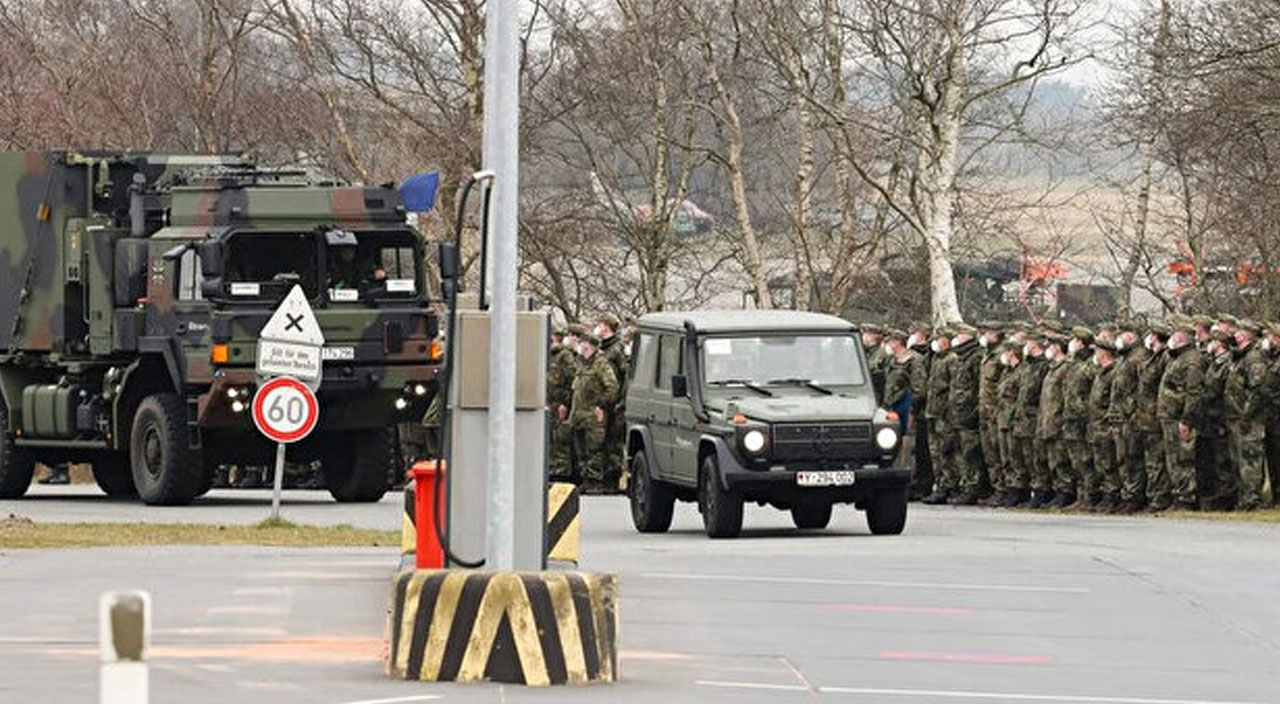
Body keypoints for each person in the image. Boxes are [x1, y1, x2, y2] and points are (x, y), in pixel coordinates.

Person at [1157, 323, 1205, 510]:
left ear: (1182, 337)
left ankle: (1186, 498)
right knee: (1173, 459)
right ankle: (1179, 495)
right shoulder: (1178, 358)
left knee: (1182, 460)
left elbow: (1194, 393)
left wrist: (1187, 420)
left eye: (1174, 334)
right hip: (1170, 417)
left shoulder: (1191, 360)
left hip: (1180, 418)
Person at [1227, 320, 1270, 510]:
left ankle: (1252, 500)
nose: (1235, 335)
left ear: (1246, 335)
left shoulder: (1254, 358)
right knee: (1238, 460)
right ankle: (1243, 498)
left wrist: (1247, 415)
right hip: (1236, 417)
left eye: (1239, 332)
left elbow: (1258, 390)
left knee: (1250, 461)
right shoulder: (1241, 357)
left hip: (1250, 420)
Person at [570, 333, 620, 493]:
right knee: (581, 451)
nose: (580, 345)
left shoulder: (601, 363)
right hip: (578, 415)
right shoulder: (581, 364)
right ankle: (586, 479)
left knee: (594, 450)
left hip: (593, 415)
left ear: (590, 345)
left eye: (583, 343)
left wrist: (601, 405)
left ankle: (596, 481)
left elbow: (612, 387)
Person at [1108, 327, 1150, 513]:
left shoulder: (1139, 358)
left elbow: (1142, 389)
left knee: (1133, 458)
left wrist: (1132, 412)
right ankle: (1128, 494)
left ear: (1132, 339)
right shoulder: (1125, 359)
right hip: (1121, 417)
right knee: (1123, 458)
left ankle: (1135, 496)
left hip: (1132, 417)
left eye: (1122, 337)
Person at [946, 324, 984, 504]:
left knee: (971, 452)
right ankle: (965, 485)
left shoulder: (975, 357)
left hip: (969, 413)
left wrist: (974, 410)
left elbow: (979, 387)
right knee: (961, 451)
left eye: (960, 334)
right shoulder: (960, 357)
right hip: (958, 412)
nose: (956, 338)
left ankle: (973, 488)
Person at [1035, 334, 1072, 508]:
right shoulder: (1052, 368)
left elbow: (1066, 397)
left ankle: (1065, 491)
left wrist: (1061, 420)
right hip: (1047, 420)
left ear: (1057, 347)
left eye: (1050, 345)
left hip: (1057, 421)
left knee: (1060, 460)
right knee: (1051, 460)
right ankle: (1056, 490)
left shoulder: (1065, 368)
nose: (1047, 348)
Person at [1138, 323, 1171, 511]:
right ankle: (1154, 495)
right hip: (1147, 415)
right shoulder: (1153, 357)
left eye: (1151, 335)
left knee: (1157, 460)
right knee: (1151, 459)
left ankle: (1160, 496)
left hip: (1155, 415)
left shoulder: (1164, 357)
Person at [1062, 327, 1096, 510]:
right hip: (1071, 417)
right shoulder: (1073, 363)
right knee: (1075, 460)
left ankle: (1090, 495)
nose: (1071, 344)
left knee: (1085, 459)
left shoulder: (1089, 363)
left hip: (1082, 417)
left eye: (1075, 340)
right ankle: (1081, 495)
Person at [922, 329, 955, 504]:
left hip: (944, 413)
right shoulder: (936, 358)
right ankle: (940, 483)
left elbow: (953, 388)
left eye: (939, 339)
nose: (935, 342)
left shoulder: (952, 360)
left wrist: (948, 411)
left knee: (945, 451)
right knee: (935, 451)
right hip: (932, 411)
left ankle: (949, 484)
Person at [596, 314, 628, 490]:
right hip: (604, 401)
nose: (598, 328)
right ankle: (604, 478)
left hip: (615, 403)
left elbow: (625, 376)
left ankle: (612, 481)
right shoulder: (603, 348)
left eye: (600, 324)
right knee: (604, 440)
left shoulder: (617, 349)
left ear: (607, 326)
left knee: (614, 442)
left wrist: (622, 401)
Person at [1088, 338, 1120, 512]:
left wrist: (1111, 422)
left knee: (1109, 463)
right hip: (1096, 425)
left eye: (1097, 352)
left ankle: (1112, 496)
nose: (1095, 355)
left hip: (1105, 424)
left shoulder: (1113, 372)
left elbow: (1114, 400)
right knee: (1101, 463)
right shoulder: (1101, 372)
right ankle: (1105, 496)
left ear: (1103, 353)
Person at [549, 324, 585, 482]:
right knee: (554, 438)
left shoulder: (566, 356)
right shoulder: (553, 355)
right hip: (551, 401)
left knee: (561, 439)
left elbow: (572, 381)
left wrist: (565, 403)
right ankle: (557, 469)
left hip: (561, 402)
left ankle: (563, 473)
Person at [976, 324, 1005, 504]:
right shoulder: (988, 354)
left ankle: (1002, 488)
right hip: (984, 408)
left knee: (998, 450)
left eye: (987, 332)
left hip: (995, 410)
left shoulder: (1001, 355)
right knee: (989, 452)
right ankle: (996, 487)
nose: (984, 336)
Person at [863, 324, 889, 402]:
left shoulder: (881, 354)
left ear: (873, 337)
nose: (864, 336)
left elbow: (872, 369)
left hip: (874, 391)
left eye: (867, 334)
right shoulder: (864, 350)